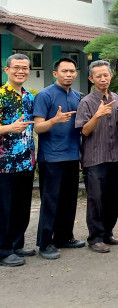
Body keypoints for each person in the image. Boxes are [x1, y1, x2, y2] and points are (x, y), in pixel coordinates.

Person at [33, 57, 83, 259]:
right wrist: (54, 120)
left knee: (69, 200)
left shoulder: (78, 96)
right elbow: (38, 126)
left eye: (72, 71)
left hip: (72, 155)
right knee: (51, 201)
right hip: (51, 157)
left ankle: (64, 236)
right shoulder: (45, 95)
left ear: (76, 73)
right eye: (64, 71)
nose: (69, 74)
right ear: (55, 73)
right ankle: (45, 243)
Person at [75, 60, 118, 253]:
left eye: (106, 75)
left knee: (113, 199)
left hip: (113, 157)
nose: (103, 79)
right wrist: (97, 115)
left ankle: (107, 234)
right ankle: (95, 238)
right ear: (91, 78)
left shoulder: (115, 97)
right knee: (96, 199)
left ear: (111, 75)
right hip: (94, 159)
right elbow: (85, 131)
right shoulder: (86, 102)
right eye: (98, 76)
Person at [0, 54, 35, 267]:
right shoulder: (1, 95)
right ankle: (4, 251)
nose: (21, 71)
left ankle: (16, 243)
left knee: (22, 206)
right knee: (4, 208)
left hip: (26, 162)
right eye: (16, 67)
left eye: (25, 68)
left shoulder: (29, 96)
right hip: (4, 164)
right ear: (7, 70)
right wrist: (9, 128)